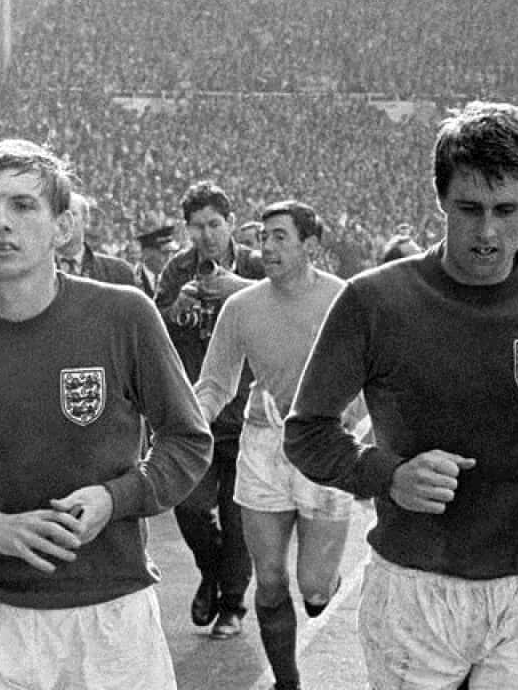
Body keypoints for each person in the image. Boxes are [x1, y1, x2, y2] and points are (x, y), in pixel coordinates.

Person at [284, 101, 518, 689]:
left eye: (506, 210)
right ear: (440, 201)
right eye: (468, 209)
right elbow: (307, 430)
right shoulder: (373, 301)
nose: (487, 231)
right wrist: (385, 474)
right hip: (414, 589)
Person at [0, 138, 212, 689]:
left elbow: (187, 441)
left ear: (62, 227)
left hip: (110, 617)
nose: (1, 223)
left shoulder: (123, 315)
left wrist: (116, 497)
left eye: (23, 205)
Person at [195, 200, 358, 690]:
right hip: (264, 446)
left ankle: (323, 585)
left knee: (312, 588)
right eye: (262, 237)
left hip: (326, 446)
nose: (266, 246)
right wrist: (192, 422)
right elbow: (214, 383)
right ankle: (288, 684)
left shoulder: (345, 300)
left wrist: (360, 430)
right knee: (268, 580)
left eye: (279, 237)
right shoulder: (241, 308)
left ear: (310, 245)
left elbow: (377, 375)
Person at [154, 180, 263, 638]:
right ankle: (211, 574)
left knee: (238, 515)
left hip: (246, 411)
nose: (206, 235)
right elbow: (154, 333)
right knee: (191, 505)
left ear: (232, 223)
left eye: (214, 224)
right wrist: (175, 308)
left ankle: (233, 604)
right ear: (187, 229)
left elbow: (279, 314)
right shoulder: (176, 271)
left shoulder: (257, 266)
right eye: (196, 227)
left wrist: (237, 293)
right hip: (195, 412)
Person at [55, 191, 138, 286]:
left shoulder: (119, 272)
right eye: (59, 213)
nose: (65, 221)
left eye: (72, 214)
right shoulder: (36, 269)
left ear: (86, 220)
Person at [133, 224, 179, 298]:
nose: (169, 258)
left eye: (171, 253)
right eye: (164, 253)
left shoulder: (177, 279)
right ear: (146, 253)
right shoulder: (132, 280)